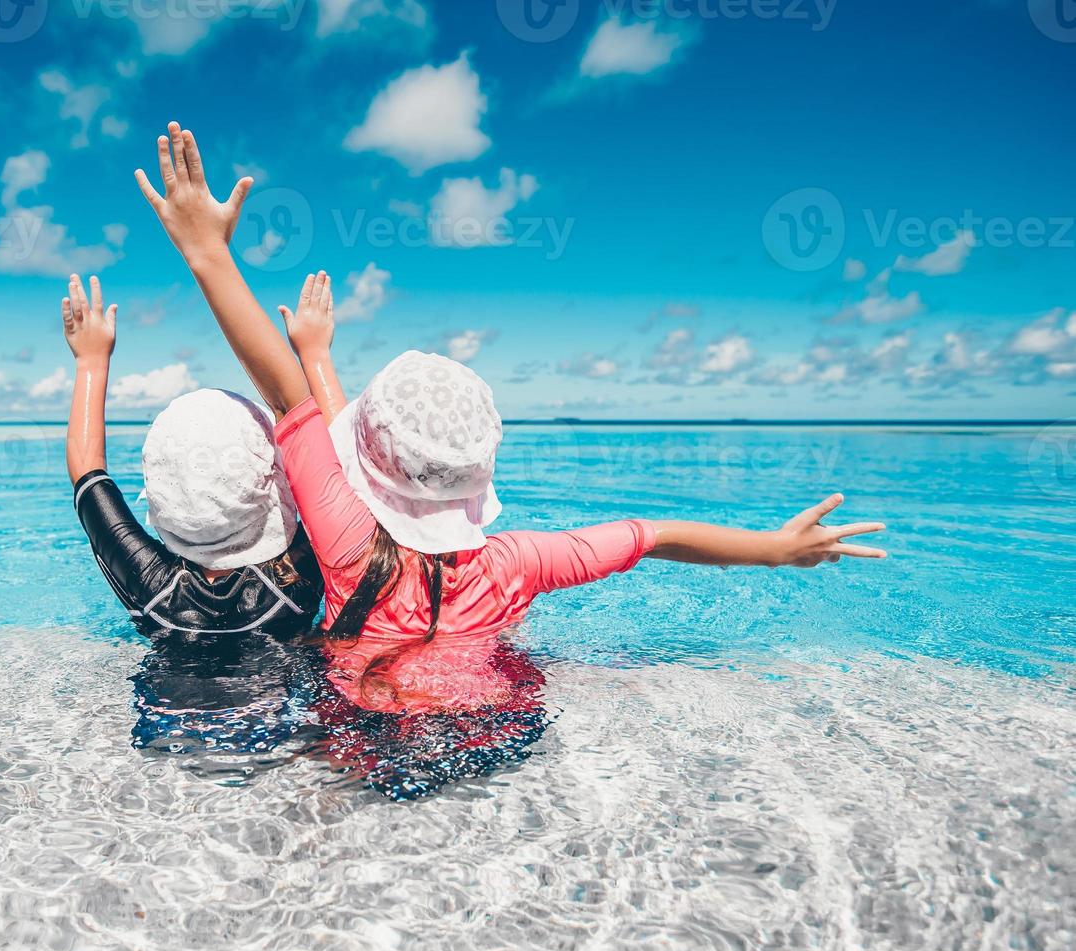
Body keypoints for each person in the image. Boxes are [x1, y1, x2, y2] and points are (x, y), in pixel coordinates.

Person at [139, 122, 891, 645]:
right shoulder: (518, 565)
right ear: (476, 477)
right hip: (497, 731)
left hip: (365, 743)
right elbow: (654, 534)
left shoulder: (343, 545)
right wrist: (771, 550)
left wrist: (208, 253)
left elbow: (285, 394)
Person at [61, 274, 322, 640]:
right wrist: (313, 354)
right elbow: (308, 432)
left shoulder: (152, 590)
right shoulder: (300, 579)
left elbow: (88, 474)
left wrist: (90, 361)